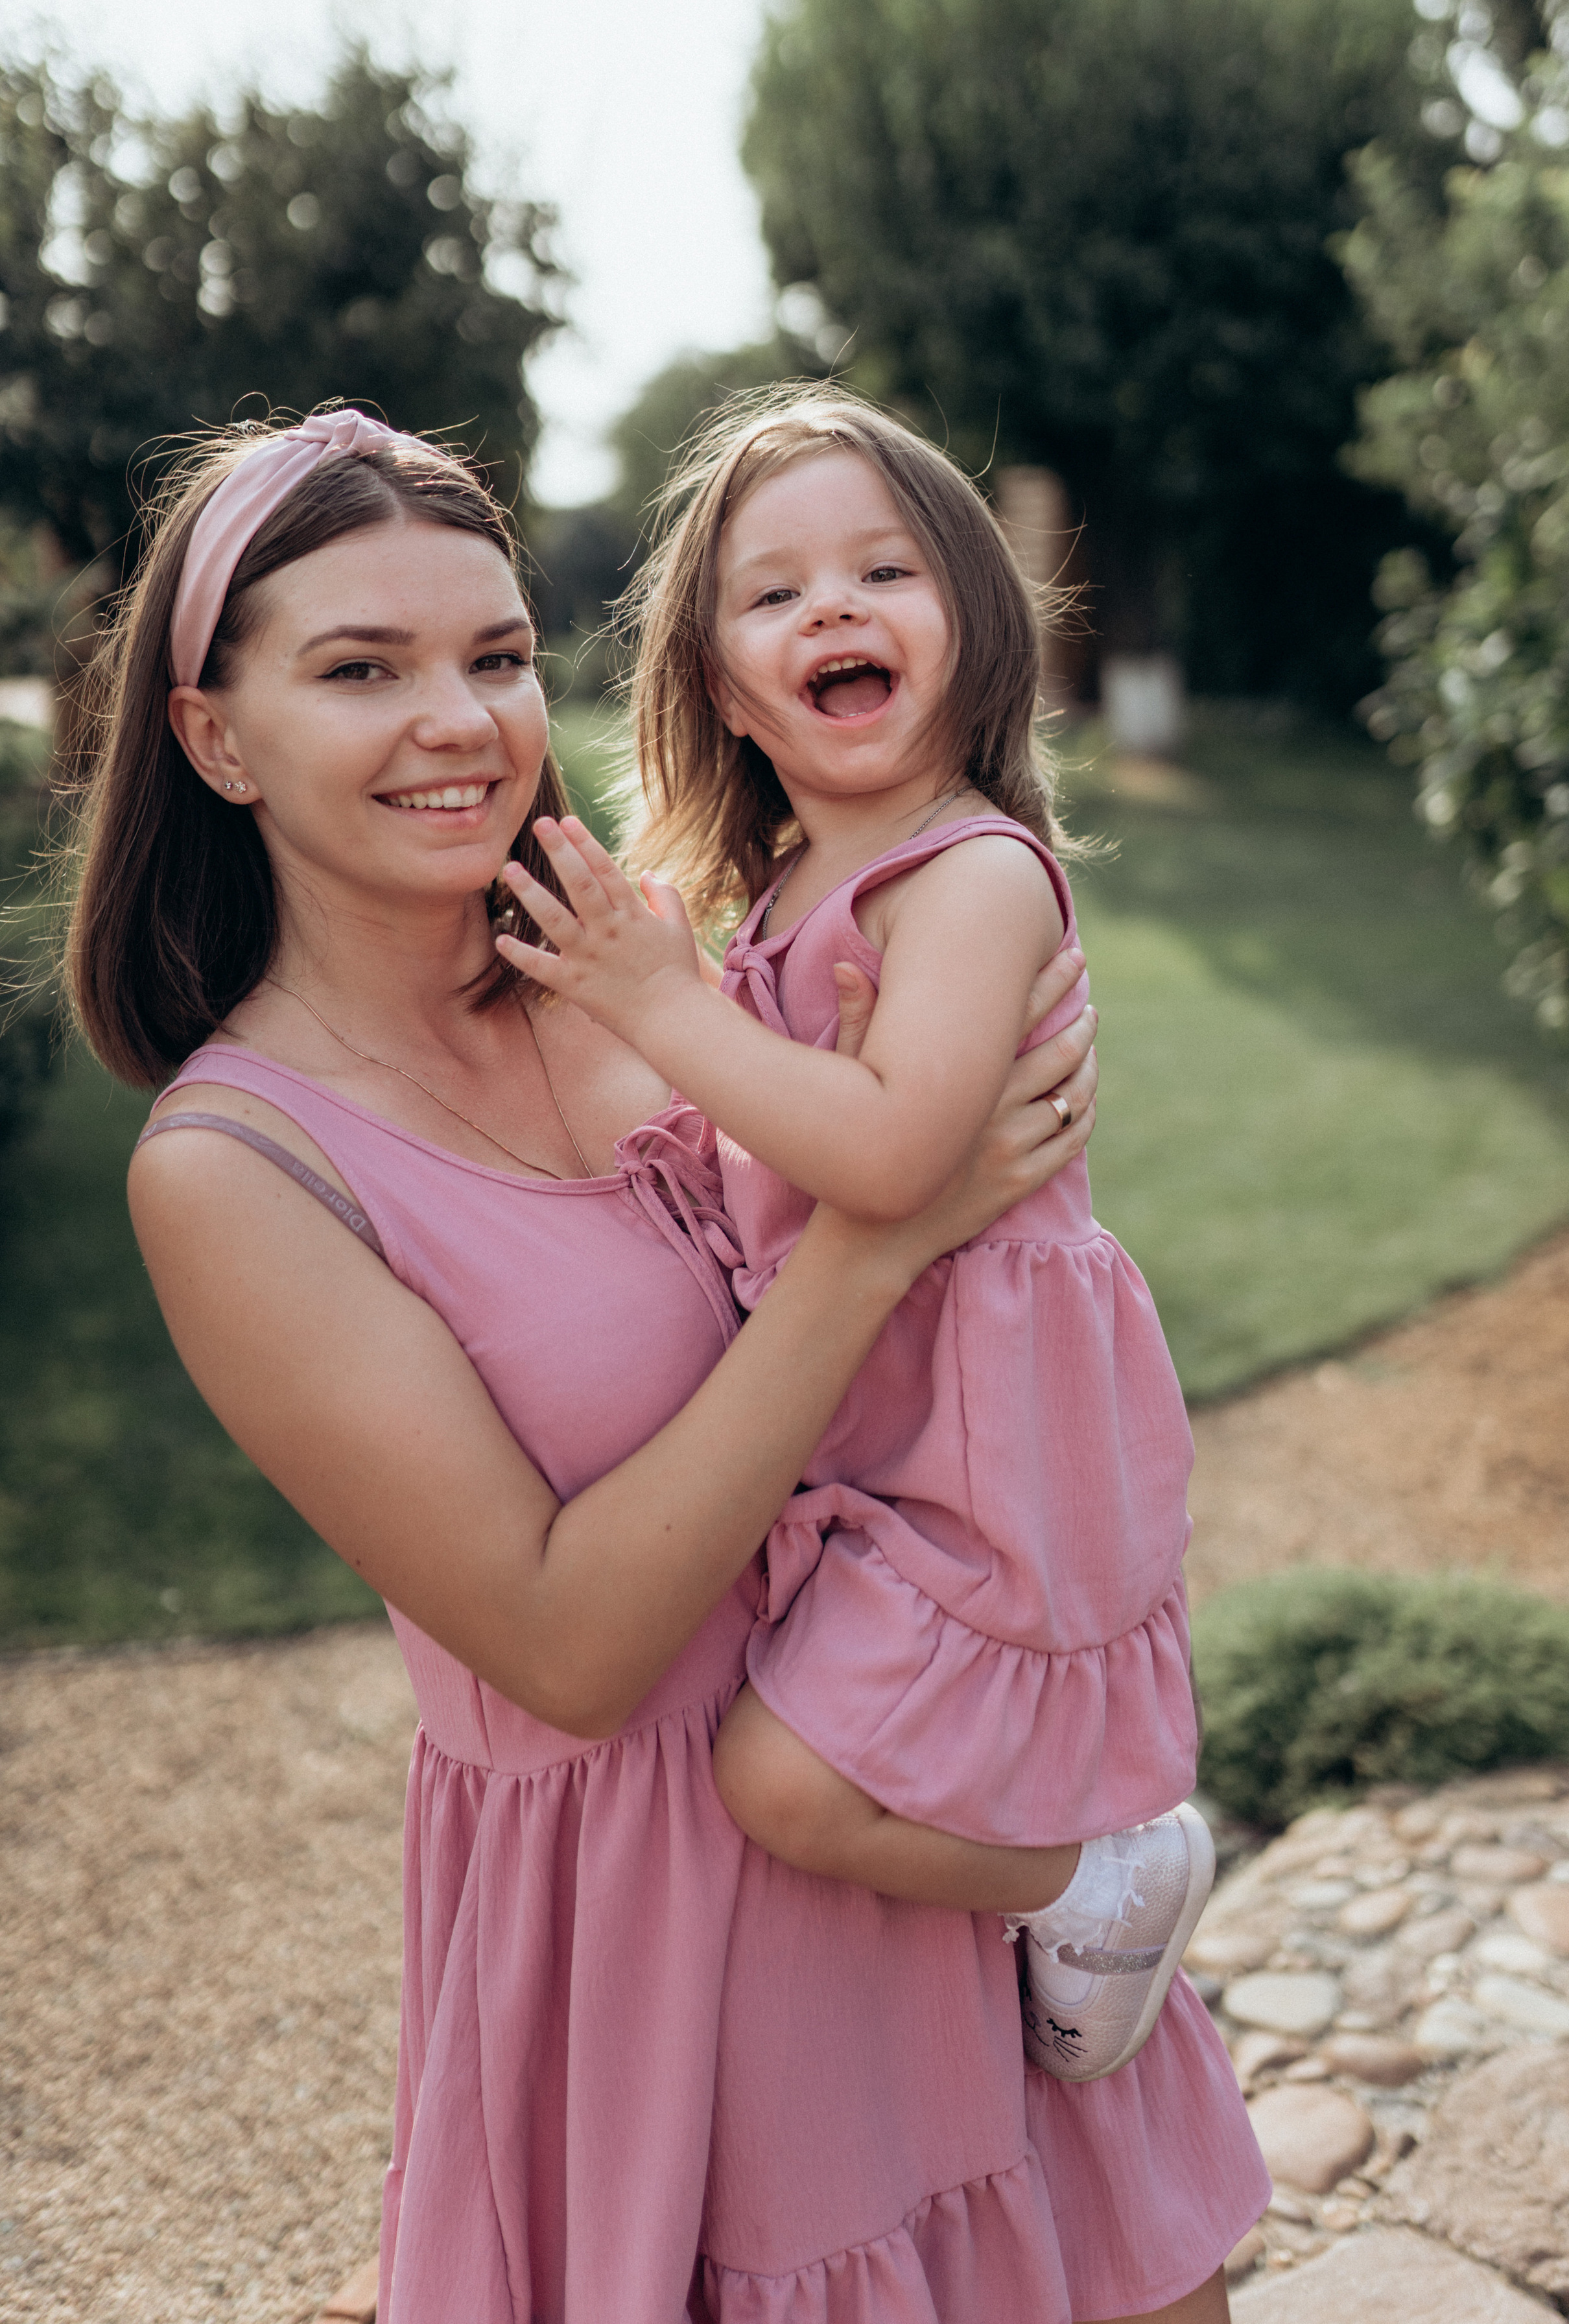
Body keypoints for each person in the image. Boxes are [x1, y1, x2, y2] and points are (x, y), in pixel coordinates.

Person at [64, 407, 1266, 2323]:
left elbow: (919, 1095)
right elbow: (567, 1643)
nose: (457, 719)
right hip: (670, 1953)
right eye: (360, 669)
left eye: (497, 656)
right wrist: (885, 1240)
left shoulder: (637, 960)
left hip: (918, 1790)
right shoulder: (238, 1173)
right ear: (217, 734)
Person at [495, 388, 1217, 2084]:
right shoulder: (786, 905)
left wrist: (663, 1008)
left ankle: (1104, 1872)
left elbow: (894, 1157)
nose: (832, 608)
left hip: (990, 1446)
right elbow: (779, 1146)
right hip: (886, 1423)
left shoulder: (974, 878)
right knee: (811, 1753)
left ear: (968, 627)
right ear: (726, 692)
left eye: (883, 569)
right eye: (774, 593)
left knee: (782, 1778)